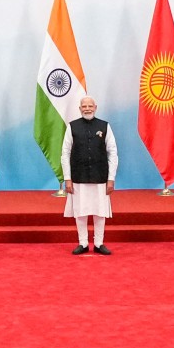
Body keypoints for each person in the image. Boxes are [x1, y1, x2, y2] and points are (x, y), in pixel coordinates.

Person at [61, 96, 117, 256]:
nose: (87, 108)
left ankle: (99, 243)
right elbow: (65, 153)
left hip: (100, 177)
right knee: (81, 211)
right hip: (78, 177)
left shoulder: (104, 126)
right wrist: (67, 178)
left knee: (100, 212)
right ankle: (83, 243)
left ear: (95, 107)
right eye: (84, 106)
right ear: (80, 108)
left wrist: (111, 178)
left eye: (90, 106)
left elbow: (113, 152)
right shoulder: (72, 127)